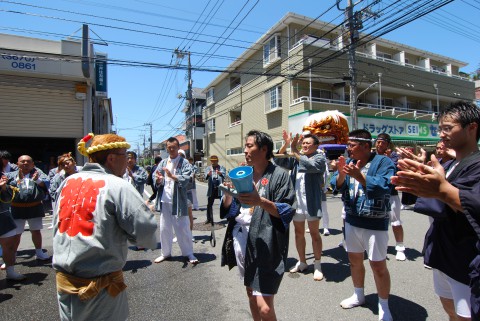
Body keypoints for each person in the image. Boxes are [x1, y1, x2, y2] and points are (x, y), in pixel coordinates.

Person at [52, 133, 158, 321]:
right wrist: (134, 233)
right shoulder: (118, 185)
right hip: (100, 287)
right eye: (125, 155)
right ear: (111, 158)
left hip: (65, 285)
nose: (128, 160)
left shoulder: (68, 182)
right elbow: (146, 230)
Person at [392, 101, 480, 321]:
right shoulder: (450, 165)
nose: (442, 134)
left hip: (464, 258)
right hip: (443, 253)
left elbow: (473, 202)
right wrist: (422, 178)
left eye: (448, 128)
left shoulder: (476, 164)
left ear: (472, 128)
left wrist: (441, 189)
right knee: (450, 311)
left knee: (466, 316)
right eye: (440, 128)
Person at [220, 130, 295, 321]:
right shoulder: (245, 174)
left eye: (249, 146)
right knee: (251, 294)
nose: (245, 150)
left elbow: (286, 211)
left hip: (267, 243)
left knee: (265, 309)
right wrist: (229, 193)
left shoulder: (279, 176)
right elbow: (229, 210)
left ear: (264, 149)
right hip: (243, 240)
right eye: (245, 146)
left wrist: (260, 201)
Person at [334, 129, 395, 321]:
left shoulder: (384, 162)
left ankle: (384, 305)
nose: (348, 149)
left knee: (378, 265)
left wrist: (359, 175)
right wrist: (341, 175)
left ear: (366, 146)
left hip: (375, 222)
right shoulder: (351, 162)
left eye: (352, 145)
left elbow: (386, 186)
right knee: (354, 261)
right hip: (352, 220)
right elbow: (338, 186)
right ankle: (358, 295)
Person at [274, 130, 327, 281]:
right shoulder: (296, 157)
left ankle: (317, 264)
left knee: (315, 233)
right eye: (303, 143)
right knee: (298, 233)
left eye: (308, 143)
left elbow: (310, 166)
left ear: (316, 146)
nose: (304, 145)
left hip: (311, 202)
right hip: (297, 202)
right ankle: (302, 261)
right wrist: (286, 145)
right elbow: (280, 160)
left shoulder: (319, 157)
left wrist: (295, 150)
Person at [153, 137, 198, 264]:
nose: (171, 149)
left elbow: (188, 178)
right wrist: (158, 179)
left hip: (178, 200)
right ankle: (165, 253)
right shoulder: (162, 163)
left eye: (174, 147)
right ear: (166, 148)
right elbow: (155, 176)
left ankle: (189, 253)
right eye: (169, 147)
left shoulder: (184, 163)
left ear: (178, 148)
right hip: (165, 200)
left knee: (183, 227)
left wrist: (173, 176)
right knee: (164, 228)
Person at [5, 155, 51, 263]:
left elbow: (48, 184)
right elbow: (5, 188)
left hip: (35, 206)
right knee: (16, 233)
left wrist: (38, 180)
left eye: (28, 161)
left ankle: (39, 252)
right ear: (17, 164)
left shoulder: (38, 173)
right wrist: (18, 179)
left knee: (36, 231)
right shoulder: (10, 175)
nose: (25, 163)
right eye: (22, 161)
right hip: (17, 207)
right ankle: (13, 255)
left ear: (33, 164)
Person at [375, 133, 407, 261]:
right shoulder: (372, 156)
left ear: (388, 144)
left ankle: (400, 247)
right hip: (376, 193)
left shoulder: (394, 156)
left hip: (391, 194)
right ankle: (380, 246)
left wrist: (388, 159)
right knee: (376, 221)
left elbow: (395, 172)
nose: (379, 144)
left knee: (395, 221)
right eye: (378, 142)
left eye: (382, 142)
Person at [0, 166, 25, 281]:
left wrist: (4, 188)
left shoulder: (3, 176)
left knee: (9, 245)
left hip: (3, 215)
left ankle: (10, 272)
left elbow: (10, 198)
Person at [204, 155, 226, 224]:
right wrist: (208, 175)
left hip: (220, 188)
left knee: (224, 203)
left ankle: (227, 216)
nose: (213, 162)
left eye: (215, 161)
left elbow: (224, 175)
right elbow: (205, 177)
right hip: (212, 188)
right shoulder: (208, 168)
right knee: (209, 204)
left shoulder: (221, 167)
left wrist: (220, 173)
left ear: (217, 161)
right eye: (212, 161)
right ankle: (209, 218)